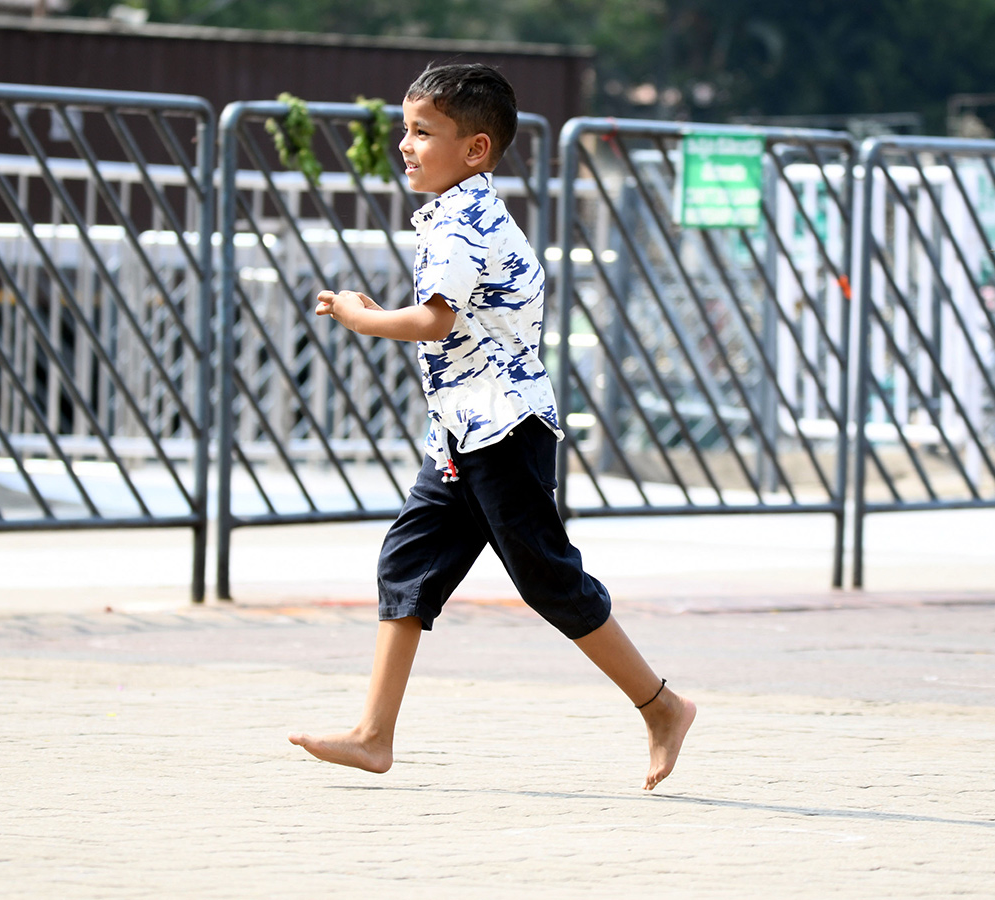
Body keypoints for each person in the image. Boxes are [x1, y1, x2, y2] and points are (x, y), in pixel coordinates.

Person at [288, 63, 695, 791]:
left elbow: (433, 321)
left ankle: (662, 707)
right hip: (463, 432)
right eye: (404, 131)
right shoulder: (459, 213)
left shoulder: (461, 223)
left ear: (475, 149)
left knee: (548, 581)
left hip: (502, 433)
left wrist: (359, 315)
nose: (405, 146)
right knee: (408, 565)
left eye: (423, 133)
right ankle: (373, 735)